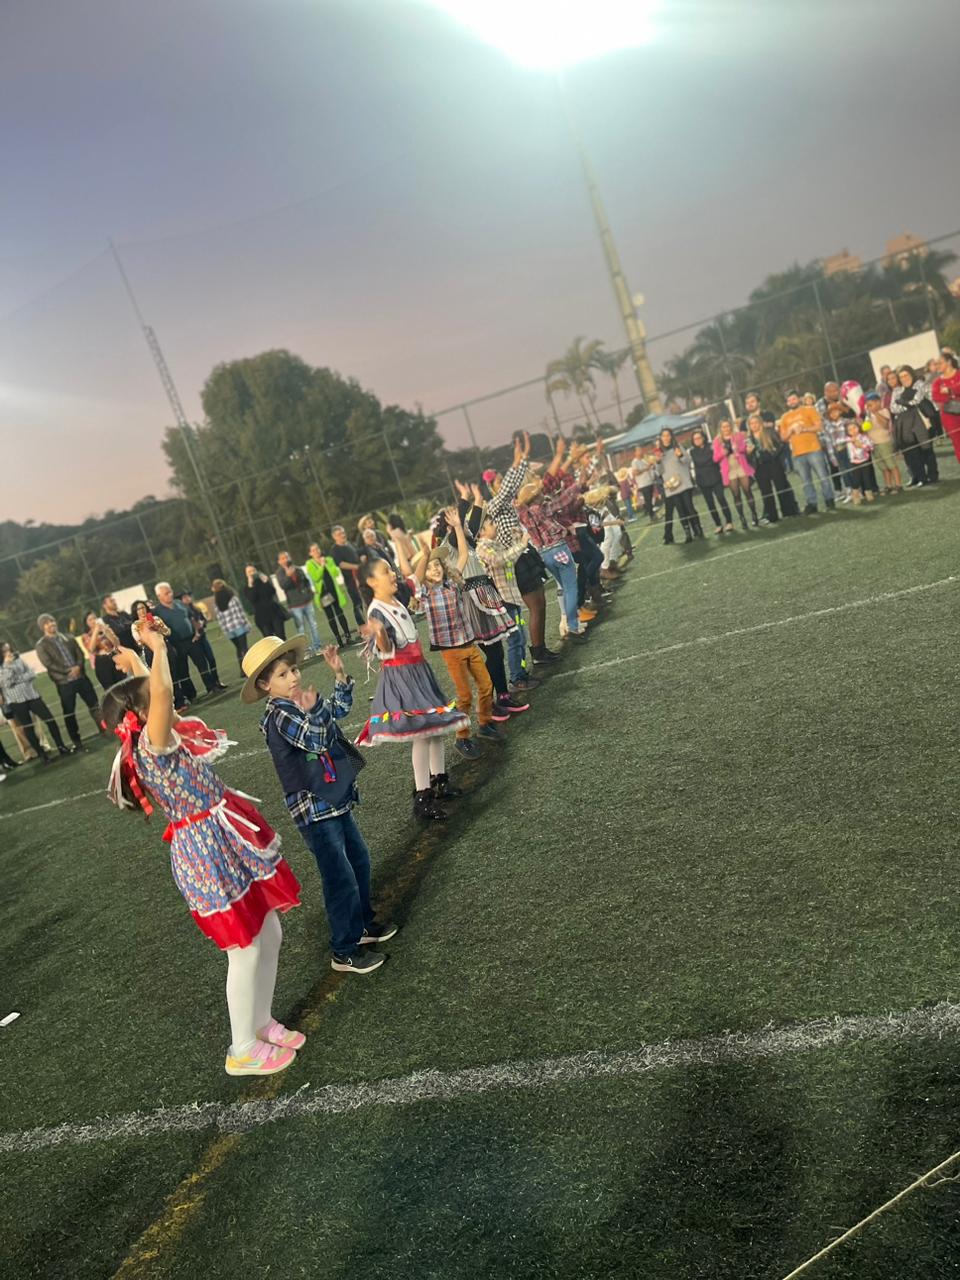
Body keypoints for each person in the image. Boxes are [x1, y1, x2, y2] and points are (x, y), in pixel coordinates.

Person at [102, 622, 303, 1077]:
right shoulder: (153, 744)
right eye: (157, 699)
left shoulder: (156, 735)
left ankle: (260, 1022)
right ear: (146, 711)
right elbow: (161, 692)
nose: (168, 700)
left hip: (222, 837)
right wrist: (157, 647)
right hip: (206, 851)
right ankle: (242, 1048)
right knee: (245, 948)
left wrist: (137, 657)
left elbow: (153, 693)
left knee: (269, 932)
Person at [245, 633, 396, 976]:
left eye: (293, 670)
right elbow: (316, 738)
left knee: (358, 860)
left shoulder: (296, 701)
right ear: (265, 685)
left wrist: (339, 675)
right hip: (314, 807)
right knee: (339, 877)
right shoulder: (279, 714)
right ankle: (344, 949)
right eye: (282, 674)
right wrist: (316, 710)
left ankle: (363, 924)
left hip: (331, 799)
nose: (293, 677)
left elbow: (337, 711)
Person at [357, 556, 469, 821]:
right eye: (385, 571)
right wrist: (378, 633)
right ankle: (422, 797)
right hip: (402, 677)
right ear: (372, 581)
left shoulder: (396, 599)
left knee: (435, 728)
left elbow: (415, 577)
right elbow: (386, 651)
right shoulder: (376, 611)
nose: (392, 574)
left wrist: (423, 552)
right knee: (421, 733)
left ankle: (439, 781)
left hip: (418, 671)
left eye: (391, 569)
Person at [410, 507, 501, 757]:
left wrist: (459, 527)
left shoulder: (453, 583)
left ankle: (485, 722)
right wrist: (423, 556)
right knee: (464, 695)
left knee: (486, 685)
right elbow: (415, 581)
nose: (435, 569)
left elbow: (462, 554)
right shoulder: (425, 594)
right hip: (451, 651)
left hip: (469, 644)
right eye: (430, 568)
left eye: (437, 565)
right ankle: (462, 737)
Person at [483, 432, 558, 667]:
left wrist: (522, 460)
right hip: (515, 562)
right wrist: (518, 461)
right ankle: (536, 653)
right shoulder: (493, 505)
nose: (504, 484)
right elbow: (508, 488)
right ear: (491, 487)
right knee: (534, 606)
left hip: (525, 555)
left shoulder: (507, 504)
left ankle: (541, 649)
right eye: (498, 481)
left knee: (541, 604)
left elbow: (513, 485)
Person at [515, 446, 586, 641]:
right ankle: (572, 625)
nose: (541, 494)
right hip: (559, 549)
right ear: (535, 497)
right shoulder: (543, 508)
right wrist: (577, 485)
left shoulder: (524, 514)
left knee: (563, 586)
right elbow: (563, 500)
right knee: (570, 587)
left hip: (544, 554)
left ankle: (569, 623)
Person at [476, 516, 536, 693]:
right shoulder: (483, 547)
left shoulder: (494, 544)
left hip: (510, 596)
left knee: (520, 638)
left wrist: (518, 541)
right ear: (482, 531)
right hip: (503, 599)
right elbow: (499, 560)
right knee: (515, 639)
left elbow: (509, 561)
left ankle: (521, 673)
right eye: (491, 524)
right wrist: (521, 544)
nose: (495, 525)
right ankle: (516, 679)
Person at [35, 613, 103, 749]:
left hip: (81, 677)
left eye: (52, 621)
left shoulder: (69, 637)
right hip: (64, 683)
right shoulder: (41, 645)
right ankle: (76, 740)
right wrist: (68, 671)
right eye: (47, 623)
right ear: (43, 627)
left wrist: (78, 667)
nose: (52, 624)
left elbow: (80, 654)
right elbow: (49, 664)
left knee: (94, 705)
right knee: (69, 712)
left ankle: (104, 729)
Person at [0, 642, 71, 761]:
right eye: (5, 651)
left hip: (32, 695)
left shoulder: (18, 659)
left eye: (9, 649)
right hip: (16, 700)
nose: (9, 652)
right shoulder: (2, 666)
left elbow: (32, 674)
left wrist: (17, 679)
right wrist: (8, 665)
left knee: (50, 719)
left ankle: (61, 746)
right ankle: (42, 755)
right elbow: (6, 683)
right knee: (28, 727)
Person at [777, 390, 836, 515]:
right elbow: (783, 437)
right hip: (797, 453)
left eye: (793, 399)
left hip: (813, 449)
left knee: (823, 476)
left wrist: (804, 429)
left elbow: (819, 427)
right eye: (789, 400)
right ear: (787, 403)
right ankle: (812, 504)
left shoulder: (809, 410)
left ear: (799, 399)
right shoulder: (785, 417)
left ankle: (829, 500)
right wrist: (791, 430)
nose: (792, 402)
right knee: (806, 481)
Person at [151, 582, 202, 709]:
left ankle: (212, 686)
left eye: (170, 591)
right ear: (159, 596)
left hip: (192, 639)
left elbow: (191, 617)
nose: (170, 594)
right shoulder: (157, 612)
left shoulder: (179, 603)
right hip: (176, 644)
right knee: (183, 671)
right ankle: (191, 695)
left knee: (202, 663)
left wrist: (197, 632)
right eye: (166, 593)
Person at [890, 366, 939, 488]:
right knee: (913, 452)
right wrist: (906, 404)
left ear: (912, 374)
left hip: (922, 421)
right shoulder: (897, 391)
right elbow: (893, 408)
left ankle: (933, 475)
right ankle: (921, 477)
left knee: (927, 449)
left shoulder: (920, 384)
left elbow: (916, 401)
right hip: (906, 425)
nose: (904, 378)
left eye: (906, 375)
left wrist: (902, 402)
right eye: (901, 377)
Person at [745, 415, 799, 522]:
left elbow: (780, 445)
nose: (754, 425)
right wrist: (749, 453)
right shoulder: (748, 439)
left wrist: (774, 455)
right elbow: (748, 459)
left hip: (774, 463)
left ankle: (789, 511)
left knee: (781, 487)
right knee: (766, 492)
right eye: (751, 423)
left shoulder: (769, 432)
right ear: (749, 426)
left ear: (760, 422)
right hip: (760, 467)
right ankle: (772, 516)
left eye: (756, 422)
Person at [712, 419, 762, 528]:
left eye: (728, 426)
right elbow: (715, 458)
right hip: (729, 470)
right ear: (720, 429)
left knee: (747, 491)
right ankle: (742, 518)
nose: (726, 429)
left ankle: (754, 515)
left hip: (741, 466)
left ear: (731, 426)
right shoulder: (717, 441)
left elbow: (745, 449)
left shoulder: (738, 435)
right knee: (736, 495)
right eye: (724, 427)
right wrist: (723, 453)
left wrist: (738, 449)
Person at [656, 428, 703, 544]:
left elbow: (688, 461)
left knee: (689, 507)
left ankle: (698, 529)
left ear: (671, 436)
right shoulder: (659, 453)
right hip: (672, 488)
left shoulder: (678, 447)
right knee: (681, 511)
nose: (666, 438)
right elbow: (659, 472)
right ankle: (688, 534)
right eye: (663, 436)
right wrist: (658, 461)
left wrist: (681, 455)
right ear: (661, 438)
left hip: (684, 484)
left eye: (668, 435)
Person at [305, 543, 354, 648]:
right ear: (310, 553)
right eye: (313, 550)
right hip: (323, 594)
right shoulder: (309, 564)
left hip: (333, 591)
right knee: (331, 617)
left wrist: (326, 564)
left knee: (340, 613)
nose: (316, 551)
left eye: (317, 548)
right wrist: (322, 565)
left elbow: (335, 573)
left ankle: (348, 637)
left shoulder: (328, 559)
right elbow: (316, 577)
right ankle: (339, 640)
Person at [178, 590, 227, 692]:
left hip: (203, 637)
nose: (187, 598)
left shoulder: (195, 609)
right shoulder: (182, 612)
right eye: (184, 597)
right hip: (194, 640)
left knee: (211, 659)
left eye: (188, 596)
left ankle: (217, 681)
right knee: (202, 664)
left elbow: (203, 619)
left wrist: (202, 624)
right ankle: (210, 686)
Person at [276, 551, 323, 655]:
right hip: (295, 606)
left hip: (307, 602)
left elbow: (306, 581)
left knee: (313, 625)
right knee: (301, 629)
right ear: (279, 561)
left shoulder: (297, 568)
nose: (285, 559)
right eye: (283, 558)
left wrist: (309, 592)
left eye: (287, 557)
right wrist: (288, 576)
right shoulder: (279, 573)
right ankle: (305, 651)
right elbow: (283, 586)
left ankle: (317, 647)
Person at [688, 427, 733, 535]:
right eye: (695, 439)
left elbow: (714, 459)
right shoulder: (692, 452)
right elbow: (702, 461)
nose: (697, 440)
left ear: (703, 437)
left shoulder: (712, 446)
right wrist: (712, 459)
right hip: (702, 481)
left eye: (699, 438)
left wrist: (713, 459)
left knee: (722, 499)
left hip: (716, 478)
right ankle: (718, 524)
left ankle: (729, 522)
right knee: (710, 504)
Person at [862, 393, 902, 494]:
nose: (869, 407)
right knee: (883, 467)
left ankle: (898, 484)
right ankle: (888, 485)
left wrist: (875, 413)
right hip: (874, 444)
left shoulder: (884, 411)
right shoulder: (868, 415)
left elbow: (885, 424)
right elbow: (866, 428)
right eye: (868, 405)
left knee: (891, 464)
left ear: (878, 402)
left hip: (884, 442)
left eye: (871, 404)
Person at [211, 579, 253, 673]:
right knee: (244, 648)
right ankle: (249, 668)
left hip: (229, 629)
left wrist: (225, 630)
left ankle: (242, 670)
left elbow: (220, 619)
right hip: (238, 626)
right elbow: (240, 613)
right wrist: (247, 624)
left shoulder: (216, 603)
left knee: (238, 649)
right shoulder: (233, 599)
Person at [330, 527, 366, 627]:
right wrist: (357, 567)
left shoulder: (350, 544)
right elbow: (341, 564)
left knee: (366, 598)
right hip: (351, 580)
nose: (342, 535)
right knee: (357, 602)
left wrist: (362, 558)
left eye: (343, 532)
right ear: (334, 537)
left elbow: (359, 553)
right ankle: (362, 626)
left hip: (362, 576)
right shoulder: (335, 550)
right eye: (339, 534)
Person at [80, 609, 125, 691]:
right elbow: (91, 649)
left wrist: (106, 631)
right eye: (90, 620)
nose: (93, 621)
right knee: (111, 689)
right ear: (86, 623)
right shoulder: (86, 635)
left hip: (115, 657)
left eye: (94, 618)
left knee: (124, 684)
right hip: (102, 662)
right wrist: (96, 630)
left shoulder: (105, 628)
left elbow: (117, 643)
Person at [243, 565, 289, 639]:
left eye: (253, 570)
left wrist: (266, 582)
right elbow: (252, 598)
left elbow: (272, 592)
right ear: (246, 575)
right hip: (261, 617)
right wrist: (251, 585)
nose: (252, 573)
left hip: (274, 612)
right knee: (269, 638)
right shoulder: (247, 587)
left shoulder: (263, 582)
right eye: (249, 572)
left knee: (281, 635)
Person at [931, 350, 960, 465]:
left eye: (940, 363)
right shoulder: (937, 382)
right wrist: (954, 394)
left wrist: (950, 390)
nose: (937, 366)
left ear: (949, 362)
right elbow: (937, 398)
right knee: (958, 444)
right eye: (936, 364)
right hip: (949, 416)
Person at [845, 422, 878, 504]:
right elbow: (838, 442)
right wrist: (851, 440)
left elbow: (871, 447)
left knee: (866, 477)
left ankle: (868, 493)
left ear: (858, 427)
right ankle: (855, 495)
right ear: (847, 432)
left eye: (854, 427)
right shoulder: (847, 439)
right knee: (856, 479)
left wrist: (862, 446)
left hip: (864, 460)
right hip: (854, 462)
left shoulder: (864, 437)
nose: (853, 430)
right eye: (850, 430)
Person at [629, 447, 658, 520]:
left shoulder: (643, 460)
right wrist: (646, 468)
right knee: (648, 500)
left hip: (649, 482)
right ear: (635, 453)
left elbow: (649, 468)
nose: (641, 451)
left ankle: (652, 514)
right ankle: (651, 515)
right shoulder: (634, 462)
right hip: (643, 484)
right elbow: (635, 472)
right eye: (639, 450)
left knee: (650, 499)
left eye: (641, 450)